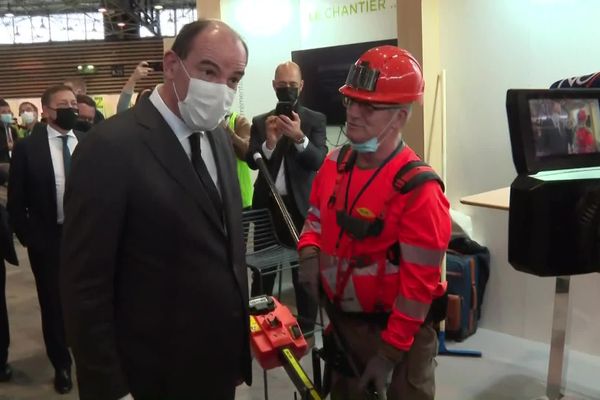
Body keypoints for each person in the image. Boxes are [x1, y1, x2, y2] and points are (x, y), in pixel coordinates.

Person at [59, 20, 251, 400]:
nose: (220, 90)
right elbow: (84, 286)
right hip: (149, 374)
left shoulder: (217, 137)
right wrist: (110, 388)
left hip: (217, 363)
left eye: (234, 79)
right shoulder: (109, 148)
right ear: (171, 66)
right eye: (208, 71)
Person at [298, 46, 451, 400]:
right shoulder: (334, 165)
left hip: (399, 339)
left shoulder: (419, 191)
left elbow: (418, 290)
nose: (352, 112)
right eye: (350, 101)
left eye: (368, 106)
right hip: (343, 325)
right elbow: (315, 221)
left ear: (399, 117)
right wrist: (309, 255)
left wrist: (388, 356)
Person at [7, 85, 88, 394]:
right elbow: (17, 201)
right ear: (47, 111)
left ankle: (89, 354)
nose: (71, 108)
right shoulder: (29, 148)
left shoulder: (87, 139)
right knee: (53, 305)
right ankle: (62, 364)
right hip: (49, 238)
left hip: (87, 237)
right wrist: (30, 238)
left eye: (73, 103)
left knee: (87, 298)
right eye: (63, 104)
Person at [246, 61, 327, 335]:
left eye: (292, 86)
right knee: (263, 272)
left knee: (303, 273)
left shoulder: (314, 120)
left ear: (301, 86)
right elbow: (251, 161)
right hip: (267, 209)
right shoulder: (261, 121)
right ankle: (258, 325)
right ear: (273, 86)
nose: (287, 90)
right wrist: (270, 142)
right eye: (282, 86)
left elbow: (319, 161)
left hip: (301, 209)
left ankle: (304, 329)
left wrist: (299, 136)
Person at [223, 111, 253, 209]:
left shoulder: (239, 121)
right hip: (220, 196)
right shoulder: (206, 123)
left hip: (241, 196)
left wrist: (230, 133)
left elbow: (248, 151)